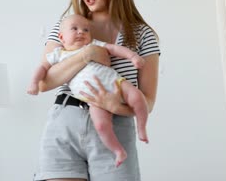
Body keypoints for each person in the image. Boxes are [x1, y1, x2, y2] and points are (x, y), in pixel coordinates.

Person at [32, 0, 160, 181]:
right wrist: (87, 54)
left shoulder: (143, 35)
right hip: (65, 124)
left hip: (115, 128)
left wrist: (116, 106)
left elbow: (148, 101)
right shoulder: (68, 27)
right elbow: (44, 81)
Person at [28, 14, 149, 167]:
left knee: (137, 97)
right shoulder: (58, 55)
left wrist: (132, 56)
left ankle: (141, 127)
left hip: (117, 83)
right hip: (93, 100)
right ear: (61, 37)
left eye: (86, 30)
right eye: (75, 29)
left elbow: (113, 49)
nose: (81, 32)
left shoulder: (93, 44)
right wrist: (33, 83)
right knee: (101, 125)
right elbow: (42, 69)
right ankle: (118, 150)